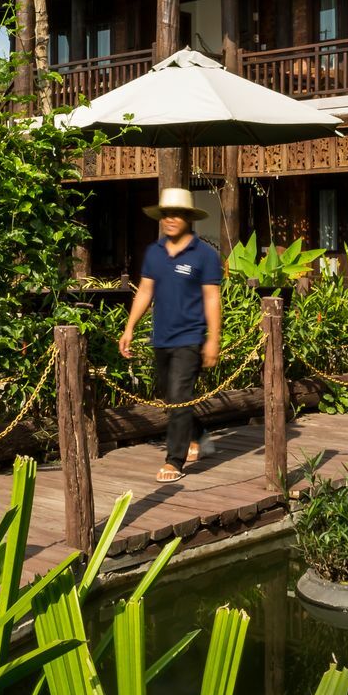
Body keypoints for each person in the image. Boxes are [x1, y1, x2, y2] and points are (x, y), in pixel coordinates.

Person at [119, 187, 222, 482]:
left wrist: (213, 339)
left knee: (178, 395)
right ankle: (199, 435)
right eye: (166, 215)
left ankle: (174, 461)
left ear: (188, 218)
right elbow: (145, 291)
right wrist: (129, 328)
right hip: (161, 337)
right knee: (173, 397)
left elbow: (212, 299)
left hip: (190, 337)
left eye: (176, 214)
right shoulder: (155, 252)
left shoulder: (204, 255)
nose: (170, 219)